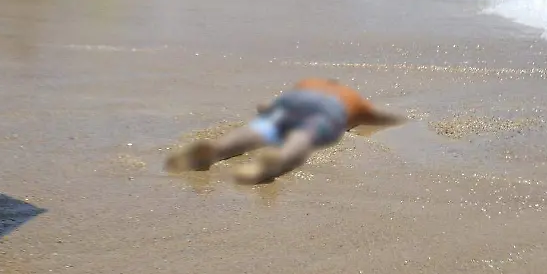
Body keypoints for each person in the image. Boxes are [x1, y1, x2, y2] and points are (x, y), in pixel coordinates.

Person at [165, 78, 404, 185]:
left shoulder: (308, 84)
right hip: (329, 112)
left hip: (291, 103)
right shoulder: (353, 100)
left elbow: (265, 106)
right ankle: (278, 160)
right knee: (305, 135)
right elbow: (382, 118)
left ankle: (216, 149)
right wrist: (404, 119)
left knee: (261, 129)